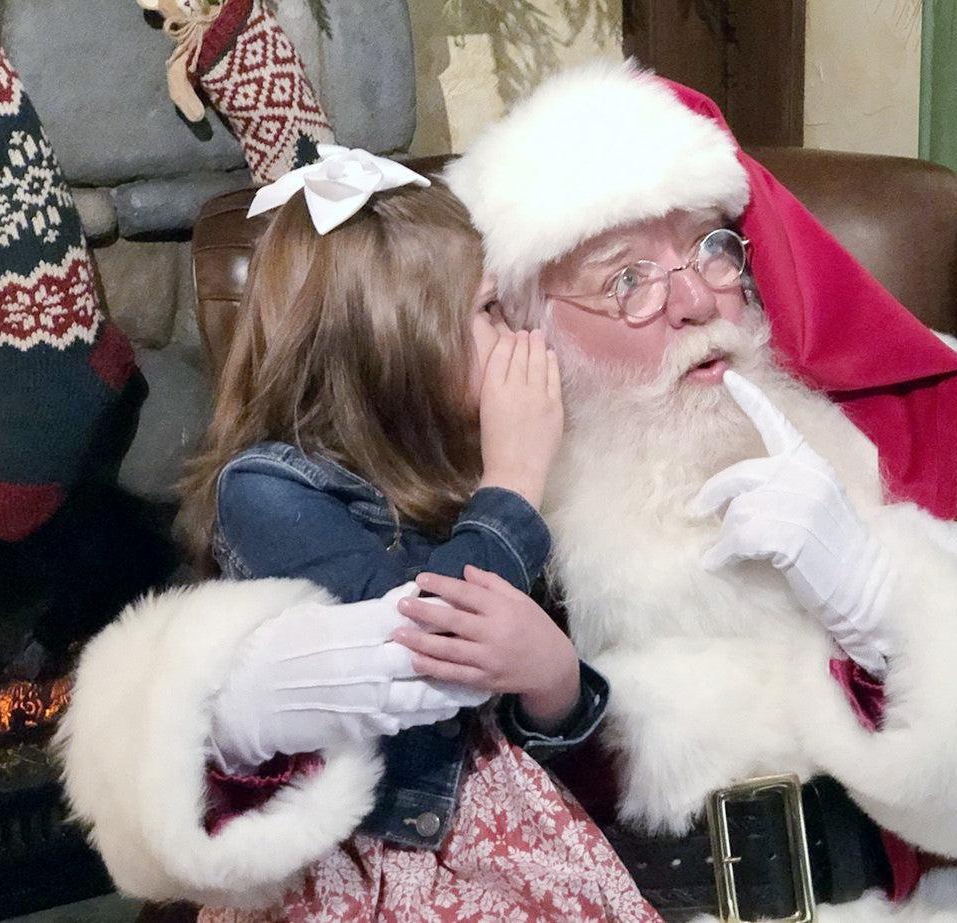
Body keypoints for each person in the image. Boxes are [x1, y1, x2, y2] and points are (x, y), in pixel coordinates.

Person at [59, 63, 957, 921]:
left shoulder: (881, 432)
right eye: (624, 275)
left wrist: (882, 611)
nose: (696, 298)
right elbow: (293, 760)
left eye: (712, 245)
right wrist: (226, 709)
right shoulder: (470, 486)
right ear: (519, 323)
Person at [57, 147, 658, 921]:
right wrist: (513, 481)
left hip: (506, 825)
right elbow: (419, 651)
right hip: (371, 860)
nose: (514, 332)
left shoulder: (455, 462)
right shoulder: (267, 488)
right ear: (396, 346)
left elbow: (512, 720)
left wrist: (554, 682)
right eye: (486, 310)